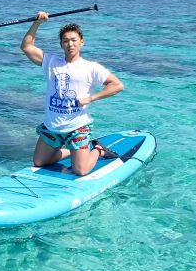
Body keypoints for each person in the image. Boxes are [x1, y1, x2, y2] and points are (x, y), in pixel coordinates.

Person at [21, 11, 124, 176]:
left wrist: (92, 98)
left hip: (77, 127)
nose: (70, 44)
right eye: (66, 41)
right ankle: (73, 151)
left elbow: (117, 85)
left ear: (82, 42)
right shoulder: (51, 63)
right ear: (61, 44)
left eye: (74, 40)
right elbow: (26, 46)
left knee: (80, 170)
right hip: (52, 126)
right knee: (39, 162)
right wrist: (37, 23)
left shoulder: (91, 67)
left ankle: (97, 149)